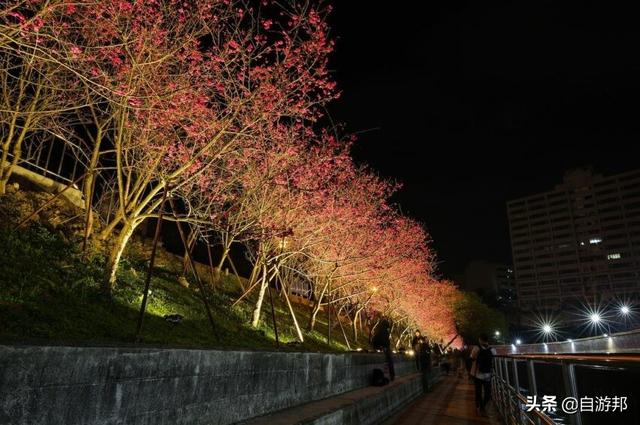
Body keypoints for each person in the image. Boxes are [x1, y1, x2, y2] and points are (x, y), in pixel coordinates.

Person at [470, 333, 496, 416]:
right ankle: (483, 406)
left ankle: (478, 407)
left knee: (478, 392)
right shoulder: (492, 350)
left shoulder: (476, 348)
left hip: (477, 373)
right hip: (488, 374)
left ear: (480, 339)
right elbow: (494, 360)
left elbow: (472, 357)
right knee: (488, 393)